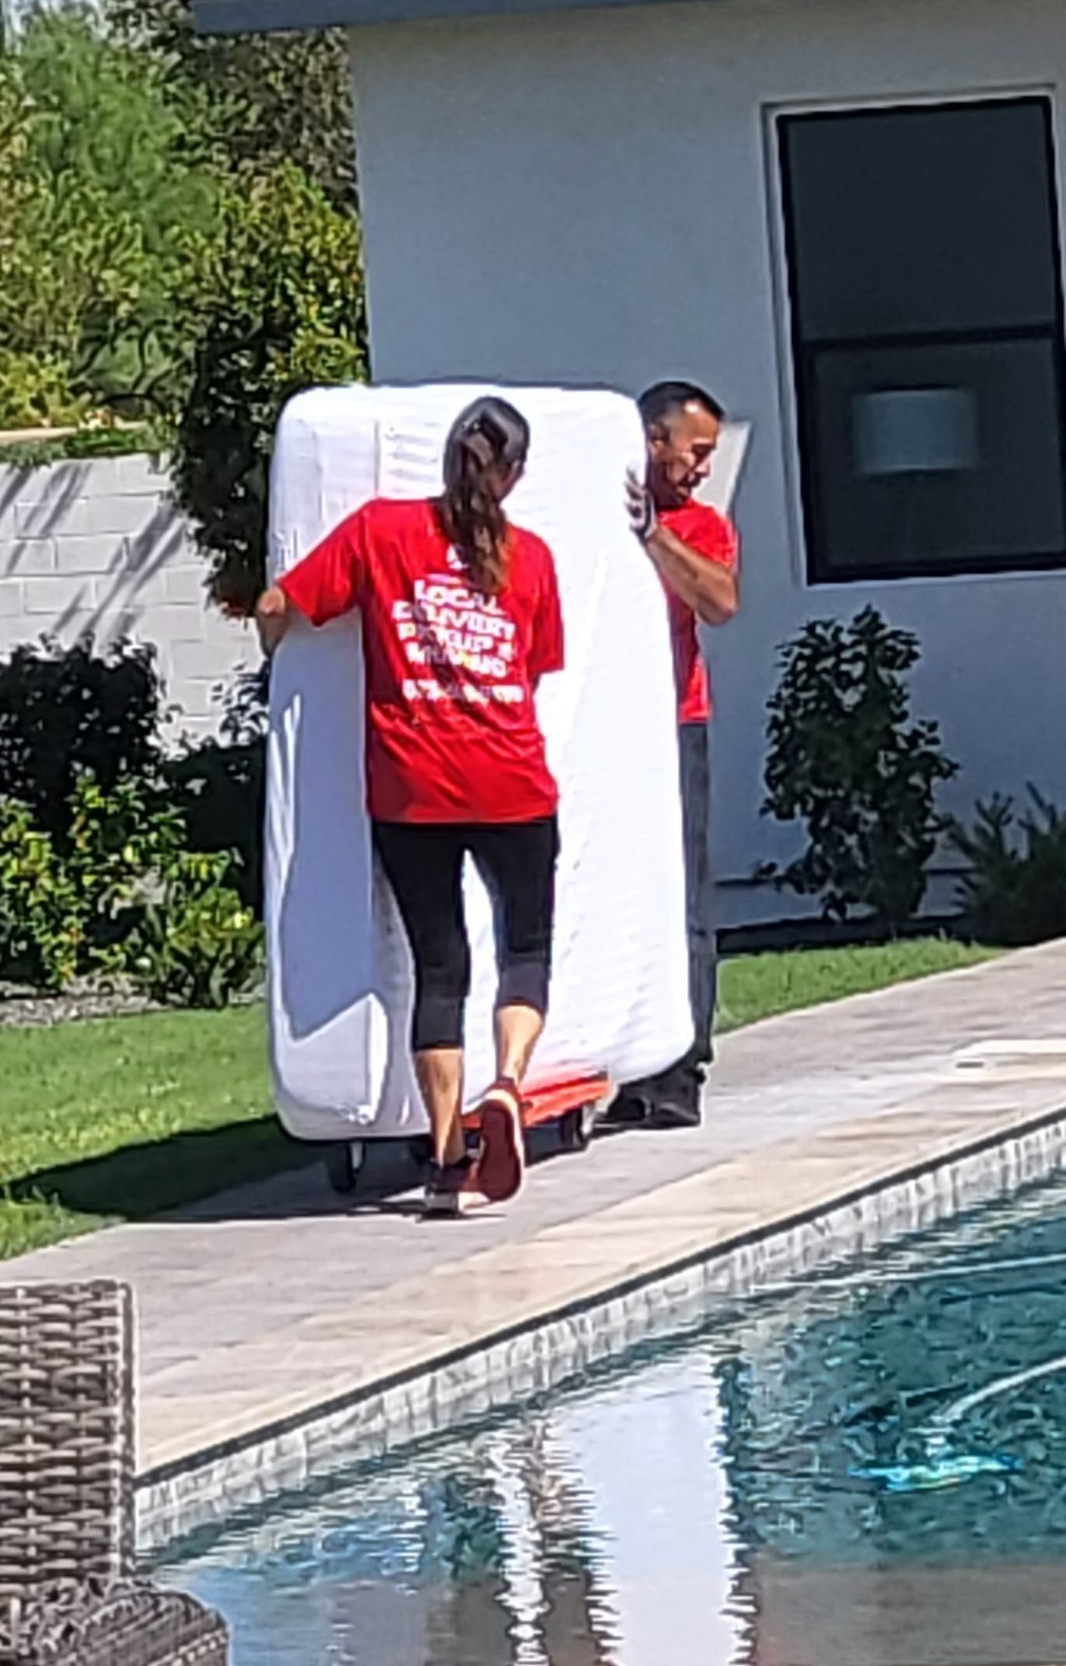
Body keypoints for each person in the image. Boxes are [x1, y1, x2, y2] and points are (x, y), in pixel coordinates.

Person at [256, 396, 565, 1215]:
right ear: (515, 476)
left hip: (411, 787)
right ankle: (506, 1085)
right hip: (512, 781)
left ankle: (443, 1159)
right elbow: (533, 671)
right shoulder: (530, 556)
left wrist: (270, 658)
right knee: (525, 946)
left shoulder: (378, 532)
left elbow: (279, 606)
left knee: (439, 965)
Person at [612, 380, 739, 1130]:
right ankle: (627, 1060)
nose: (702, 469)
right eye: (695, 452)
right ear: (652, 441)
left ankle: (680, 1067)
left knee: (685, 898)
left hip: (676, 720)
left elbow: (721, 602)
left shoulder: (702, 525)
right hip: (612, 731)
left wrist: (656, 533)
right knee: (622, 893)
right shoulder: (598, 516)